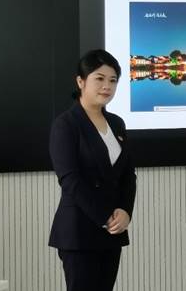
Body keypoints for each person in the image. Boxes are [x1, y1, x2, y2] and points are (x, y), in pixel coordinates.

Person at [49, 49, 136, 290]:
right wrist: (104, 216)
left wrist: (125, 212)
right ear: (81, 81)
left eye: (113, 80)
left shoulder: (117, 123)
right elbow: (70, 179)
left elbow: (127, 175)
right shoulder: (66, 124)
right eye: (99, 78)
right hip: (79, 230)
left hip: (112, 231)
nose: (107, 86)